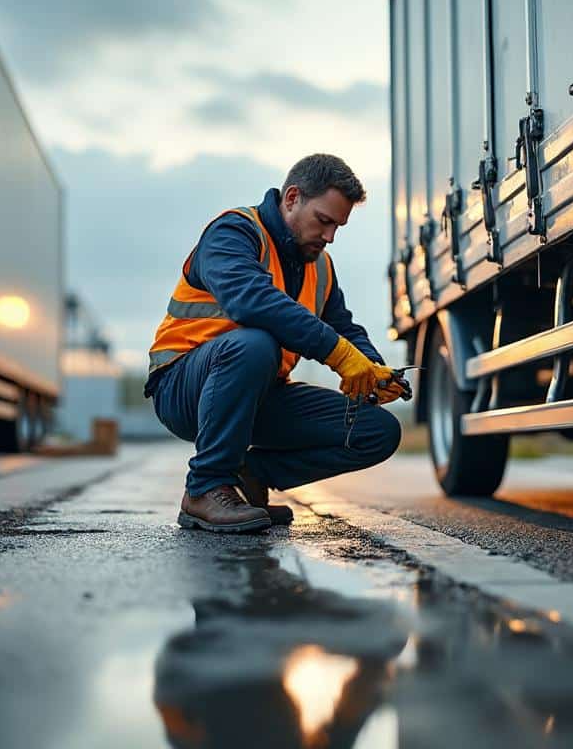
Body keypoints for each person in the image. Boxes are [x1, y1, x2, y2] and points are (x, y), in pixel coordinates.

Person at [144, 153, 402, 533]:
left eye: (339, 228)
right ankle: (205, 488)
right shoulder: (234, 233)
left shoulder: (319, 265)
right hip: (184, 388)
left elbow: (343, 326)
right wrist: (338, 355)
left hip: (259, 392)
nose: (330, 237)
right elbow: (252, 301)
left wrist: (372, 368)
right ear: (292, 198)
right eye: (324, 221)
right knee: (255, 342)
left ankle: (249, 477)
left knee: (377, 431)